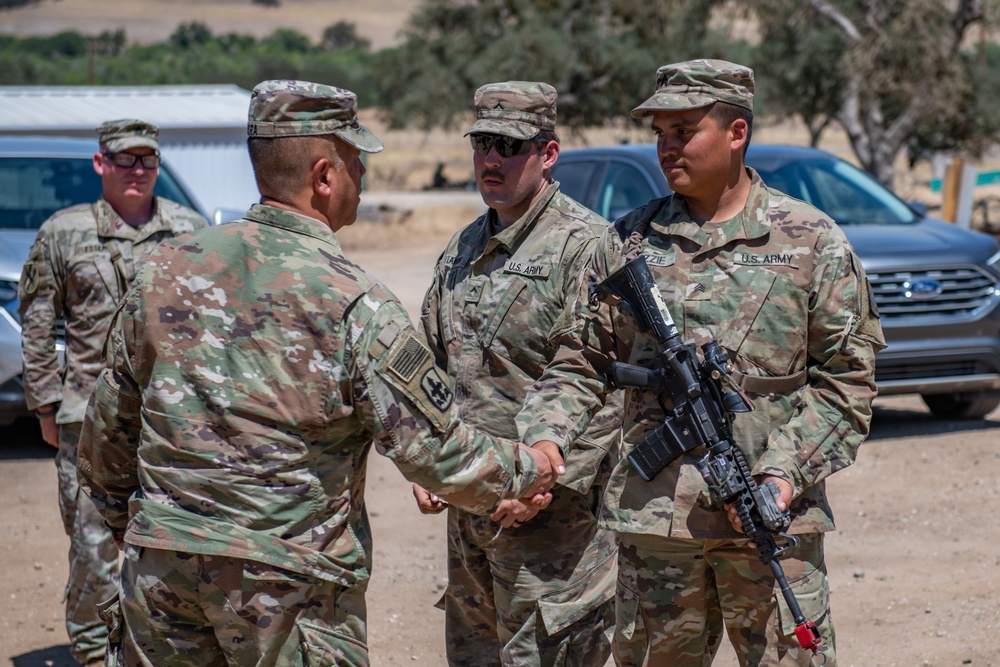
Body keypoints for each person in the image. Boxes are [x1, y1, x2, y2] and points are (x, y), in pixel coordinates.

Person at [76, 79, 563, 667]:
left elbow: (106, 437)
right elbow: (438, 453)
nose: (365, 177)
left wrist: (137, 529)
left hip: (159, 580)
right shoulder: (354, 301)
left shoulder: (162, 270)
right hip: (285, 590)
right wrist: (529, 469)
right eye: (358, 161)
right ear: (325, 176)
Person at [518, 60, 886, 666]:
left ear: (736, 132)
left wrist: (782, 475)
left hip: (768, 523)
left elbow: (847, 384)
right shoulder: (627, 242)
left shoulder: (811, 240)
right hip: (657, 526)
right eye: (660, 132)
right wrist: (544, 441)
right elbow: (580, 360)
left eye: (684, 130)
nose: (667, 146)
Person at [412, 81, 620, 667]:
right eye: (482, 144)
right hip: (472, 521)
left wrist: (543, 479)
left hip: (555, 530)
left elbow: (606, 383)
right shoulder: (463, 247)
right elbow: (432, 364)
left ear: (548, 154)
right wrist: (429, 459)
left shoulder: (588, 246)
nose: (491, 160)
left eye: (508, 145)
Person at [18, 119, 208, 666]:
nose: (138, 171)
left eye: (147, 160)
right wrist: (45, 402)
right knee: (93, 548)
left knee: (172, 544)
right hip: (87, 418)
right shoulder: (65, 232)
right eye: (125, 160)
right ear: (101, 164)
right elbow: (37, 321)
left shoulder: (187, 229)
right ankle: (94, 654)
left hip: (168, 418)